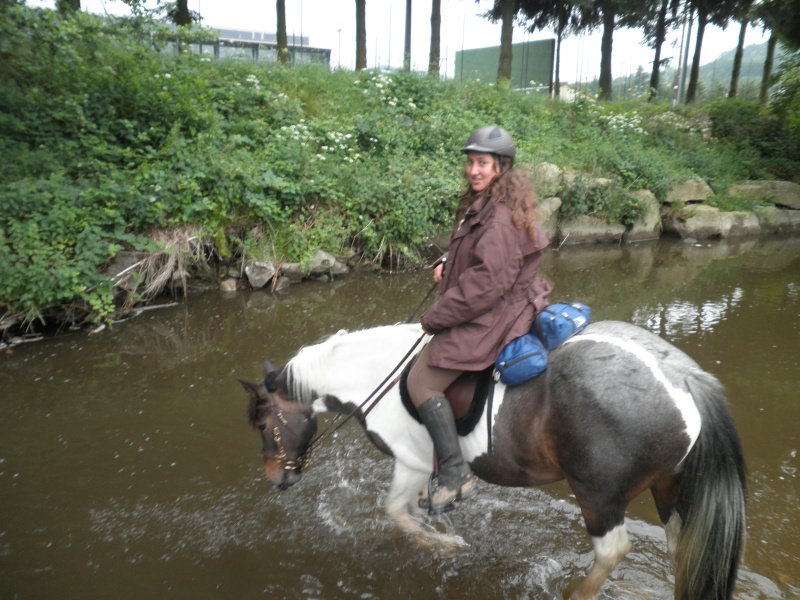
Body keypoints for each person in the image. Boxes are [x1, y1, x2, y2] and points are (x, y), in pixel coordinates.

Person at [407, 125, 551, 513]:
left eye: (483, 163)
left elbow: (486, 284)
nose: (474, 170)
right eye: (471, 162)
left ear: (501, 167)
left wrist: (435, 317)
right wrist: (446, 261)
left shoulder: (500, 217)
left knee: (420, 381)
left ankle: (456, 473)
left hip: (496, 311)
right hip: (497, 299)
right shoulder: (489, 203)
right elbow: (480, 256)